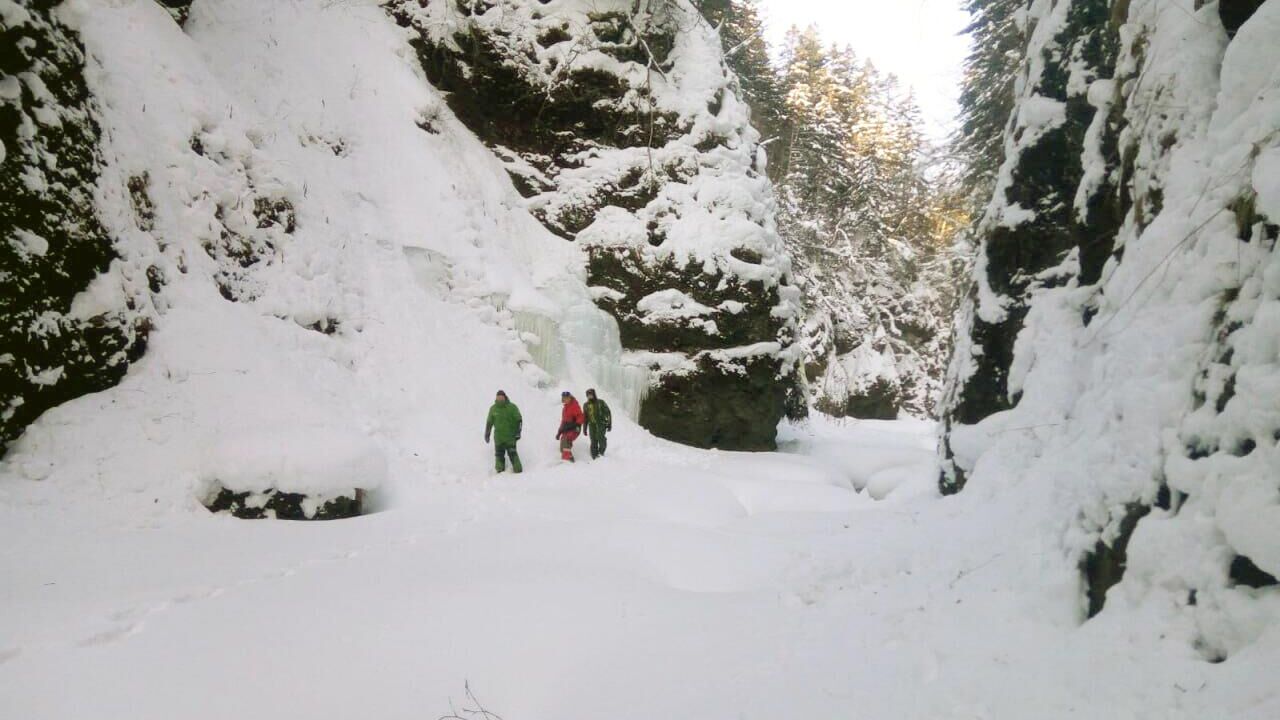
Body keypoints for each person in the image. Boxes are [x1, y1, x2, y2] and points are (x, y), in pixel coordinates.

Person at [484, 390, 523, 473]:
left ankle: (518, 471)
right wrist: (487, 434)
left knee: (513, 455)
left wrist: (518, 432)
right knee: (499, 456)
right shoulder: (493, 409)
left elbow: (519, 420)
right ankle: (500, 471)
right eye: (498, 397)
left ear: (505, 397)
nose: (499, 399)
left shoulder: (512, 407)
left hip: (510, 438)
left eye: (501, 397)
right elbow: (489, 422)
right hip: (499, 439)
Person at [555, 390, 585, 462]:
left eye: (566, 398)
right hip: (567, 428)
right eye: (564, 398)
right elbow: (563, 421)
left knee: (566, 439)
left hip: (575, 428)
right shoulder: (565, 408)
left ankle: (567, 460)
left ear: (570, 398)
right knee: (562, 446)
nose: (565, 399)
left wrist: (577, 425)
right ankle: (569, 457)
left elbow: (581, 416)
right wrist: (559, 432)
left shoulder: (574, 405)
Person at [583, 388, 612, 459]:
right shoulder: (586, 405)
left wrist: (609, 424)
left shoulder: (600, 402)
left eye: (591, 394)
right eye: (588, 395)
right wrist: (584, 428)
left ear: (594, 394)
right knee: (593, 439)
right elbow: (585, 417)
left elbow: (608, 412)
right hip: (591, 424)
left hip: (601, 423)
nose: (590, 396)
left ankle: (601, 452)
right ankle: (594, 455)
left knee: (600, 437)